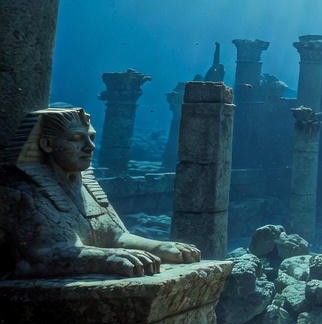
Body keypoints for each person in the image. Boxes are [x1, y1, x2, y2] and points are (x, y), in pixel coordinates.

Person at [0, 107, 200, 278]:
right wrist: (106, 258)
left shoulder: (87, 189)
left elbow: (115, 237)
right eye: (76, 139)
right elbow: (43, 256)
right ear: (47, 144)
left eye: (92, 137)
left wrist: (158, 247)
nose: (90, 147)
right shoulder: (23, 194)